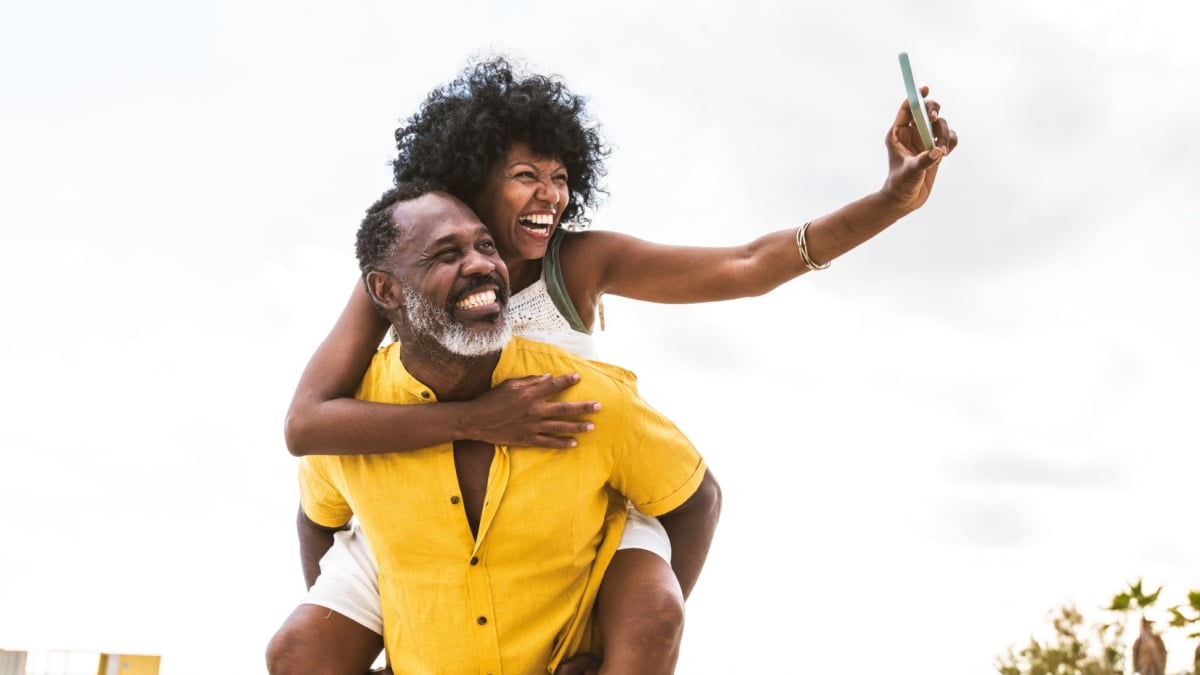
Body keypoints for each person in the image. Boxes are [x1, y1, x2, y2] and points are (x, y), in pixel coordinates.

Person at [276, 56, 957, 673]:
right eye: (525, 176)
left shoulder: (578, 262)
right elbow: (309, 422)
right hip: (428, 507)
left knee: (653, 609)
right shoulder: (409, 279)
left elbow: (746, 265)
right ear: (471, 176)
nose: (550, 194)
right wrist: (478, 421)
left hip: (570, 501)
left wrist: (889, 201)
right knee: (299, 647)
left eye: (561, 177)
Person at [271, 181, 720, 674]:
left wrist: (614, 643)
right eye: (446, 253)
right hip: (428, 638)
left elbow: (696, 499)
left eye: (486, 246)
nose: (482, 264)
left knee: (657, 610)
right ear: (385, 290)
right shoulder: (351, 419)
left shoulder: (577, 396)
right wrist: (369, 637)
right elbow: (317, 519)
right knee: (295, 654)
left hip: (569, 633)